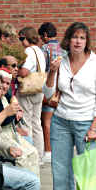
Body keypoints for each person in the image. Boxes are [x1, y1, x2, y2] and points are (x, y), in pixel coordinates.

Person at [42, 22, 96, 190]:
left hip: (86, 123)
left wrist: (95, 127)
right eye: (74, 37)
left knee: (94, 173)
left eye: (82, 38)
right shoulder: (61, 61)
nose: (78, 42)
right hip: (61, 122)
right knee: (61, 172)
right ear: (68, 40)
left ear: (87, 42)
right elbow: (49, 94)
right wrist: (51, 71)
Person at [0, 68, 40, 177]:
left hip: (10, 133)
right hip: (0, 136)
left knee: (33, 152)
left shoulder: (5, 96)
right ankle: (26, 183)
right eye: (2, 83)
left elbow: (12, 105)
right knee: (23, 156)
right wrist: (13, 113)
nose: (4, 86)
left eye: (7, 83)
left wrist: (16, 112)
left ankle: (33, 184)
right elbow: (0, 122)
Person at [17, 27, 46, 165]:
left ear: (28, 37)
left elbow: (24, 72)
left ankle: (30, 155)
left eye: (22, 38)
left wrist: (16, 71)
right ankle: (40, 156)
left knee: (26, 122)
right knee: (37, 123)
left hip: (27, 89)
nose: (21, 42)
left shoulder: (29, 51)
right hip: (39, 89)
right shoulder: (39, 51)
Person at [38, 22, 64, 164]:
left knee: (46, 121)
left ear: (45, 35)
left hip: (50, 84)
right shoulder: (64, 48)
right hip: (63, 86)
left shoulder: (44, 49)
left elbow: (42, 70)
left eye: (42, 37)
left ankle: (48, 151)